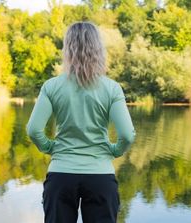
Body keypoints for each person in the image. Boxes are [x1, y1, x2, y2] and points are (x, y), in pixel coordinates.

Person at [26, 21, 136, 223]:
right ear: (98, 48)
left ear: (68, 48)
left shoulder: (51, 86)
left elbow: (33, 130)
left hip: (60, 175)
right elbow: (127, 135)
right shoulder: (112, 88)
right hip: (100, 176)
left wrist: (51, 148)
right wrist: (114, 151)